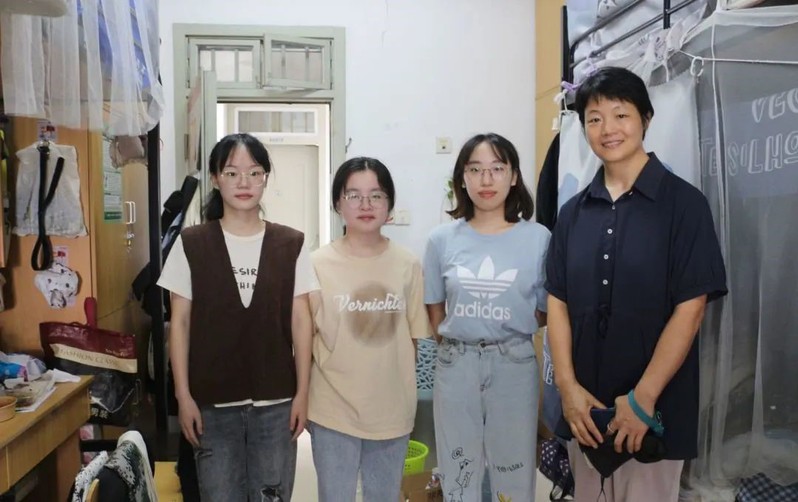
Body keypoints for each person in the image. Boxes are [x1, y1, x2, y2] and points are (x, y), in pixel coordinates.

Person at [545, 67, 727, 501]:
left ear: (645, 118)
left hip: (654, 413)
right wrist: (567, 390)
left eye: (620, 114)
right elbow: (558, 302)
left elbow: (691, 308)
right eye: (594, 118)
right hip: (585, 414)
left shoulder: (684, 205)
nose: (607, 128)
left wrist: (643, 399)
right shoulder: (572, 213)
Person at [157, 133, 316, 501]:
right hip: (212, 404)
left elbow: (301, 321)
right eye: (231, 173)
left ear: (265, 178)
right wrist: (183, 396)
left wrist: (303, 394)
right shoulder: (192, 243)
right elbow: (179, 324)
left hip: (276, 402)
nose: (244, 182)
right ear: (215, 178)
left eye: (254, 172)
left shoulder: (290, 244)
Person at [424, 133, 550, 501]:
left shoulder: (538, 238)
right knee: (458, 469)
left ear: (514, 176)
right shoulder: (441, 239)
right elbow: (435, 307)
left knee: (513, 469)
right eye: (475, 170)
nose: (486, 179)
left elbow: (544, 310)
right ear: (462, 179)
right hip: (456, 363)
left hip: (514, 362)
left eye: (497, 168)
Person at [307, 157, 430, 502]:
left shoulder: (407, 264)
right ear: (337, 202)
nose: (365, 205)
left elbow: (413, 340)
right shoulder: (315, 264)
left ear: (389, 203)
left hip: (391, 411)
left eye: (376, 195)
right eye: (354, 195)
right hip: (331, 408)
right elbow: (305, 340)